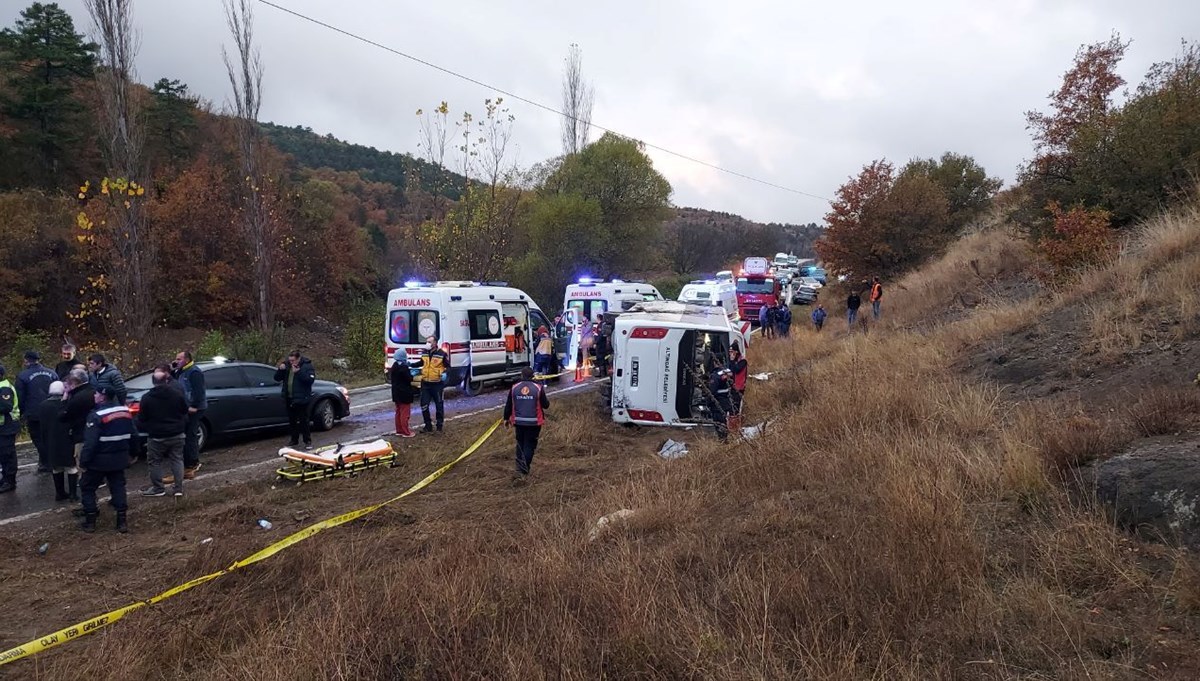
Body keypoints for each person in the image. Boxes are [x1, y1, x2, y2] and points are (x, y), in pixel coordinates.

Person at [78, 386, 136, 533]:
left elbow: (90, 443)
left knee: (87, 487)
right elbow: (134, 435)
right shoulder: (125, 412)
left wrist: (84, 461)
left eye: (96, 393)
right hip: (119, 458)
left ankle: (90, 522)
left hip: (99, 460)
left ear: (103, 397)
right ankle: (122, 521)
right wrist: (134, 453)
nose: (94, 396)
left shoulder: (96, 415)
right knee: (118, 487)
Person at [137, 365, 190, 498]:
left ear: (153, 382)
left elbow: (142, 418)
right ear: (166, 380)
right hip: (177, 433)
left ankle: (158, 488)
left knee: (155, 462)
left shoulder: (147, 398)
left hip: (156, 436)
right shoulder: (177, 394)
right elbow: (184, 410)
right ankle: (178, 488)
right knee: (177, 460)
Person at [503, 366, 550, 480]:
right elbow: (546, 405)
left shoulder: (514, 387)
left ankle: (519, 468)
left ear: (521, 375)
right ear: (533, 376)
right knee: (529, 445)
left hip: (518, 421)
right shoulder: (538, 388)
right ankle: (524, 470)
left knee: (520, 444)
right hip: (534, 423)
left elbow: (509, 404)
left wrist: (506, 418)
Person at [17, 350, 57, 473]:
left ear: (26, 360)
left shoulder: (23, 376)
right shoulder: (52, 373)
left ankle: (46, 462)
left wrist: (21, 412)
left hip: (34, 412)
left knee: (37, 438)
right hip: (52, 410)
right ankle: (49, 460)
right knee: (50, 436)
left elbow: (20, 397)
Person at [39, 381, 77, 501]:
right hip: (67, 439)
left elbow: (42, 425)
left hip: (51, 439)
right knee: (71, 467)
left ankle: (60, 493)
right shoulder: (67, 403)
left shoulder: (43, 405)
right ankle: (73, 494)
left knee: (56, 467)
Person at [172, 351, 207, 479]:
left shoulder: (194, 372)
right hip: (184, 407)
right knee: (186, 435)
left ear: (186, 360)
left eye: (178, 359)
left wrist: (195, 406)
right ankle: (187, 461)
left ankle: (193, 462)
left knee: (191, 435)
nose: (176, 361)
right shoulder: (179, 371)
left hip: (195, 408)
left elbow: (199, 391)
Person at [275, 351, 317, 449]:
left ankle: (307, 441)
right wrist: (280, 370)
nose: (291, 362)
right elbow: (277, 378)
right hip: (289, 397)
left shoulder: (307, 366)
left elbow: (310, 380)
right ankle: (294, 440)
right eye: (289, 360)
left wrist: (299, 372)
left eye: (293, 360)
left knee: (303, 421)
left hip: (302, 398)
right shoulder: (287, 366)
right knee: (292, 420)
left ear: (298, 359)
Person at [61, 368, 95, 477]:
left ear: (75, 383)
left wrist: (64, 399)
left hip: (80, 433)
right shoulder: (94, 391)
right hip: (95, 432)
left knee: (81, 459)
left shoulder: (76, 398)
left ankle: (86, 481)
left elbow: (63, 416)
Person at [418, 336, 449, 433]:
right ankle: (428, 426)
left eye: (430, 342)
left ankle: (439, 426)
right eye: (427, 342)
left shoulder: (442, 354)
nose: (427, 344)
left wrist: (445, 374)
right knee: (424, 405)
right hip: (425, 384)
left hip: (437, 384)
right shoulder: (424, 353)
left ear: (435, 343)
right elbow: (421, 363)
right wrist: (410, 365)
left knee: (439, 405)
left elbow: (448, 367)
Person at [388, 350, 417, 438]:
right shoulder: (404, 368)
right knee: (405, 413)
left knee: (398, 412)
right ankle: (406, 432)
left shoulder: (394, 366)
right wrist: (412, 374)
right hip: (404, 393)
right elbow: (409, 378)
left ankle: (399, 430)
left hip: (396, 393)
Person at [0, 364, 19, 493]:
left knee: (7, 454)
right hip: (3, 426)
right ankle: (5, 477)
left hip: (7, 426)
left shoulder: (4, 388)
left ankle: (10, 481)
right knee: (2, 454)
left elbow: (6, 407)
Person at [707, 367, 734, 441]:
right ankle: (725, 438)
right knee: (724, 421)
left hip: (717, 403)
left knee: (719, 422)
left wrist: (708, 403)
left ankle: (723, 440)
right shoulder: (728, 371)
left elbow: (712, 391)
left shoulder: (716, 376)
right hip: (726, 402)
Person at [728, 346, 748, 414]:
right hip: (733, 386)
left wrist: (732, 360)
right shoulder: (734, 361)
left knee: (736, 406)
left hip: (739, 387)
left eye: (731, 351)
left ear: (736, 351)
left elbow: (737, 370)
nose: (730, 353)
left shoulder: (743, 361)